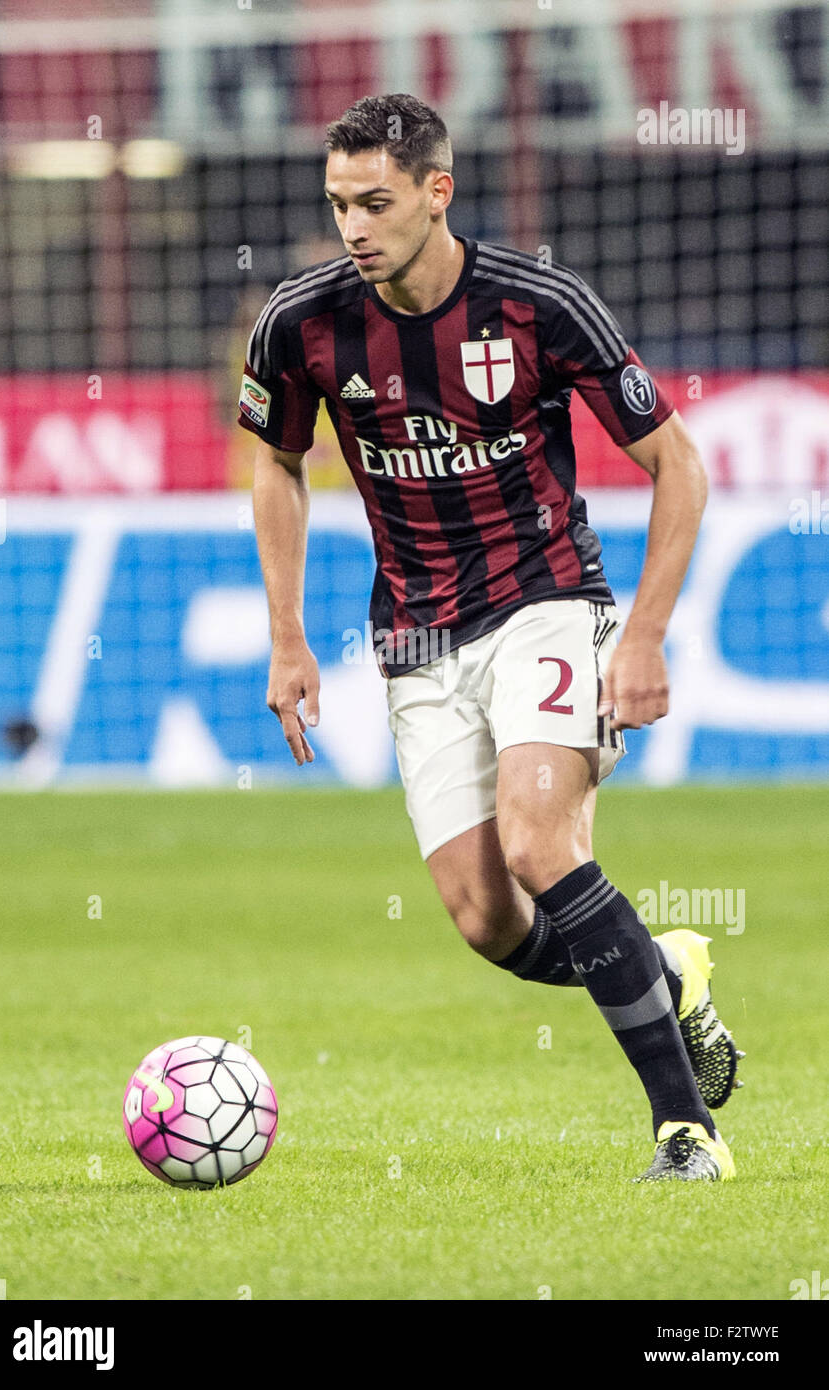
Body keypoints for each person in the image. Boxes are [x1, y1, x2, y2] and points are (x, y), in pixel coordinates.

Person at [238, 93, 743, 1182]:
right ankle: (667, 970)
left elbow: (679, 465)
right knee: (487, 921)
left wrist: (643, 635)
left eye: (374, 202)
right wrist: (287, 634)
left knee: (536, 840)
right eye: (337, 205)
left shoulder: (537, 305)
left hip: (547, 598)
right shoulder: (301, 322)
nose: (353, 227)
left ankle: (684, 1130)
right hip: (415, 634)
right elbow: (277, 463)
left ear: (436, 192)